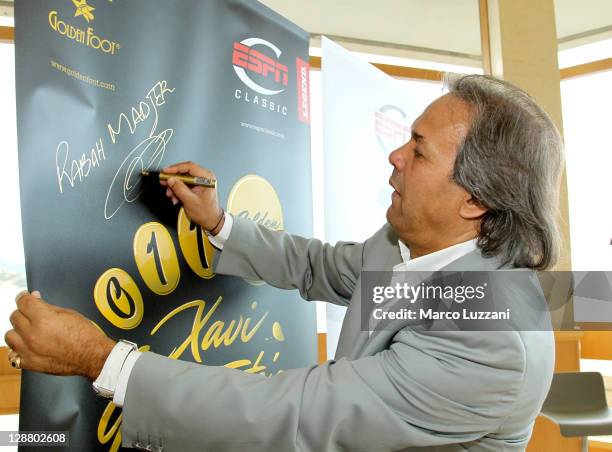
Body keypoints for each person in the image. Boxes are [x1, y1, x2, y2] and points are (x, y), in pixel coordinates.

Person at [5, 74, 563, 451]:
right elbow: (320, 266)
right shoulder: (413, 245)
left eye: (418, 150)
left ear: (475, 200)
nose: (394, 156)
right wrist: (220, 223)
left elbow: (291, 414)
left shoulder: (493, 340)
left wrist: (101, 359)